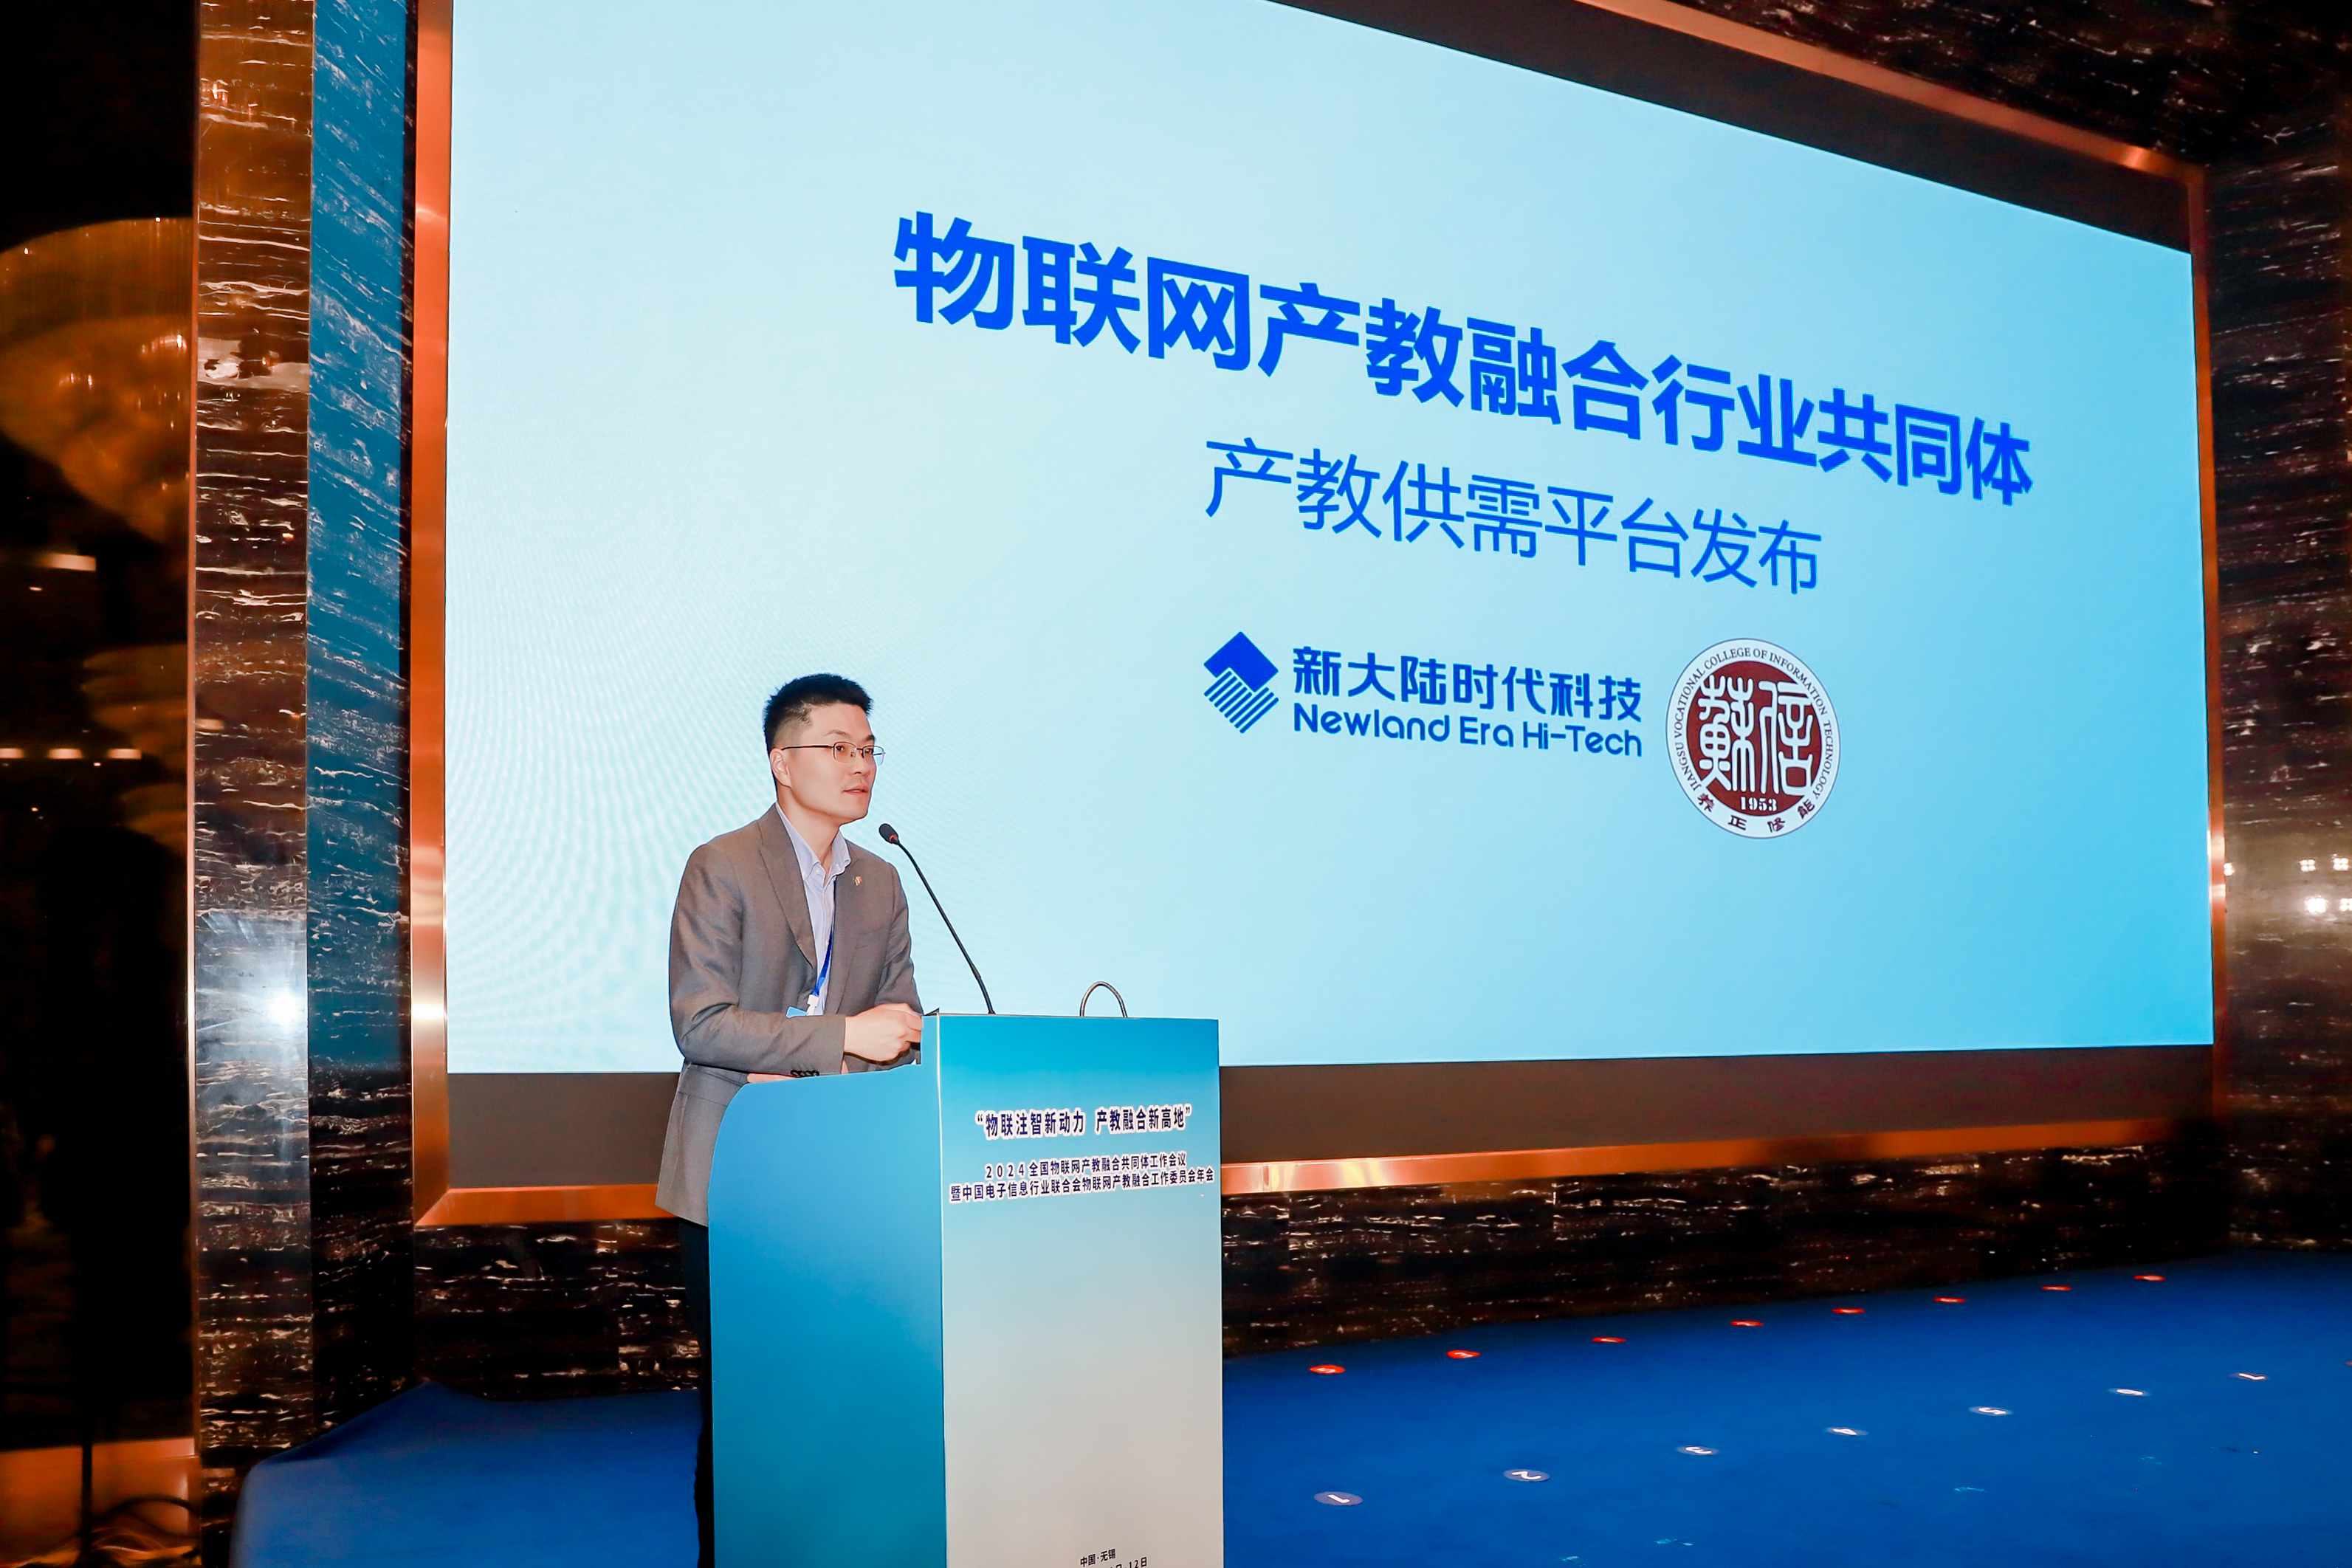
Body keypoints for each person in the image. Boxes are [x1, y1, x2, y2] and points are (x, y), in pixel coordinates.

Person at [656, 673, 924, 1565]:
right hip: (733, 1177)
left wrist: (843, 1049)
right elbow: (701, 1024)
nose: (860, 766)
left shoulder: (882, 880)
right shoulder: (723, 864)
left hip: (840, 1179)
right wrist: (839, 1038)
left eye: (869, 749)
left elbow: (900, 1027)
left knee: (836, 1396)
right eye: (839, 748)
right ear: (783, 760)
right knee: (746, 1403)